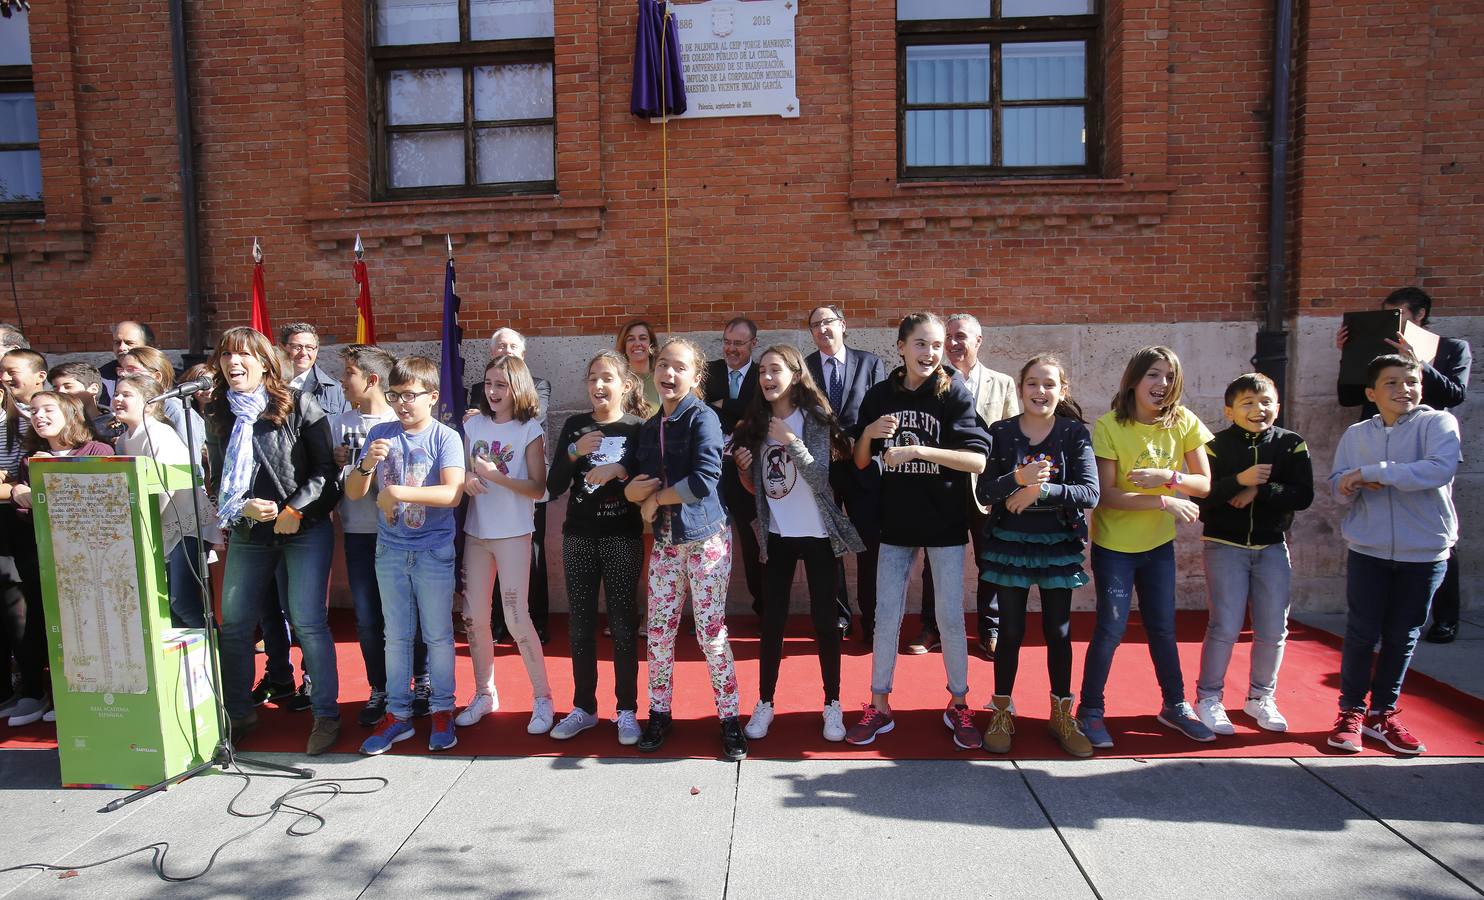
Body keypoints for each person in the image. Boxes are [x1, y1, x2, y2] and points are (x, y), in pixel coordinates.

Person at [844, 313, 990, 749]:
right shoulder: (880, 394)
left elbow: (978, 460)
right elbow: (860, 461)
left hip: (944, 522)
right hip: (895, 523)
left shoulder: (953, 391)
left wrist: (922, 450)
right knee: (885, 617)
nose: (930, 353)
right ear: (902, 346)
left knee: (948, 617)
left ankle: (959, 703)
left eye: (937, 344)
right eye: (921, 344)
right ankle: (878, 705)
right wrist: (868, 434)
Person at [205, 327, 342, 757]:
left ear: (265, 362)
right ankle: (239, 713)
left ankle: (325, 714)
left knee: (307, 622)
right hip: (249, 531)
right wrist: (241, 506)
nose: (233, 362)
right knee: (237, 624)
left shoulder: (299, 403)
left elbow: (325, 472)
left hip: (303, 528)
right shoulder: (219, 412)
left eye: (243, 354)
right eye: (226, 355)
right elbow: (216, 481)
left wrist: (294, 509)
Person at [1077, 346, 1216, 749]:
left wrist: (1168, 476)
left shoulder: (1184, 421)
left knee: (1162, 628)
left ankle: (1175, 704)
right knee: (1111, 629)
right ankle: (1089, 710)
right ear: (1135, 379)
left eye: (1170, 376)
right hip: (1115, 548)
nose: (1163, 384)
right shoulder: (1109, 426)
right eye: (1154, 375)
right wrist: (1163, 499)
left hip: (1158, 547)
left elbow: (1204, 484)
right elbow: (1106, 495)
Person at [1326, 354, 1459, 755]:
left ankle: (1383, 714)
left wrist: (1374, 472)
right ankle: (1350, 712)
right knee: (1361, 633)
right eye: (1392, 383)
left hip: (1425, 551)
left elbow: (1438, 470)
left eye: (1412, 382)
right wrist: (1348, 486)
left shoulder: (1438, 423)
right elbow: (1336, 485)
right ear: (1372, 392)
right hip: (1369, 549)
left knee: (1403, 636)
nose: (1405, 389)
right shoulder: (1356, 434)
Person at [732, 345, 864, 743]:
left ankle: (832, 703)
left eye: (775, 370)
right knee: (772, 622)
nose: (767, 378)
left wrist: (792, 440)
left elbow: (822, 481)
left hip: (819, 534)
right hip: (778, 535)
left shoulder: (815, 420)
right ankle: (765, 702)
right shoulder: (755, 422)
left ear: (795, 374)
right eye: (762, 372)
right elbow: (762, 486)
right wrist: (744, 470)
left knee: (826, 624)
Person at [623, 338, 746, 760]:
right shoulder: (650, 425)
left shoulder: (704, 418)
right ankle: (659, 713)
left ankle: (729, 719)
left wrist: (655, 500)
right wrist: (634, 494)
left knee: (711, 634)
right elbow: (639, 477)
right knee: (658, 633)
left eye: (678, 367)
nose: (668, 374)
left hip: (705, 540)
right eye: (662, 366)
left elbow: (704, 480)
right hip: (665, 544)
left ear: (695, 377)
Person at [976, 355, 1098, 757]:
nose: (1040, 392)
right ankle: (1001, 710)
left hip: (1056, 546)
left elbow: (1089, 492)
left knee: (1058, 632)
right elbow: (983, 493)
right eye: (1032, 384)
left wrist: (1040, 492)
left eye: (1049, 384)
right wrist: (1017, 480)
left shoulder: (1073, 433)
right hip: (1011, 545)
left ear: (1062, 390)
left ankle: (1062, 713)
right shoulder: (1002, 432)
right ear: (1020, 388)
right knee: (1009, 632)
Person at [1336, 287, 1470, 645]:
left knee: (1435, 534)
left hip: (1426, 446)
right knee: (1377, 527)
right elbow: (1348, 396)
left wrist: (1418, 364)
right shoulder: (1376, 353)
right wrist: (1348, 354)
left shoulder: (1451, 348)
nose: (1391, 322)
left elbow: (1455, 394)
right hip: (1377, 442)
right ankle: (1376, 616)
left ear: (1420, 315)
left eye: (1398, 314)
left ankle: (1444, 618)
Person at [350, 356, 466, 754]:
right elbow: (353, 492)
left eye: (410, 396)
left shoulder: (445, 437)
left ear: (432, 397)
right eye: (394, 395)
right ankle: (397, 715)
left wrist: (399, 492)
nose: (401, 403)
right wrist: (367, 464)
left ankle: (441, 709)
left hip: (433, 550)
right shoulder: (380, 434)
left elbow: (452, 493)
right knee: (395, 637)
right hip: (391, 551)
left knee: (438, 636)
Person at [1193, 373, 1313, 735]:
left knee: (1273, 628)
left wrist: (1260, 489)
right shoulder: (1214, 445)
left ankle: (1261, 697)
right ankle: (1208, 697)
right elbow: (1205, 496)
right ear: (1230, 410)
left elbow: (1302, 495)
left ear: (1277, 406)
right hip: (1224, 546)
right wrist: (1240, 480)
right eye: (1247, 403)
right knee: (1225, 626)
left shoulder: (1291, 444)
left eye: (1266, 402)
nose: (1258, 409)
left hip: (1272, 546)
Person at [545, 350, 650, 744]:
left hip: (622, 535)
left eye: (607, 378)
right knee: (580, 625)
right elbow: (553, 486)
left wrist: (621, 469)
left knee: (623, 625)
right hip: (579, 537)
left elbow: (647, 478)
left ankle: (626, 710)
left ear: (624, 385)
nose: (598, 385)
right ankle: (584, 707)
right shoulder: (575, 426)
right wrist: (575, 452)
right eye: (592, 378)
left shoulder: (638, 428)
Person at [328, 344, 430, 728]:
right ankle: (381, 688)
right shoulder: (338, 423)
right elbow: (333, 480)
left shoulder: (401, 419)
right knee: (368, 616)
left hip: (403, 532)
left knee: (410, 613)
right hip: (359, 531)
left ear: (372, 379)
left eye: (349, 373)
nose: (342, 380)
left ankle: (421, 682)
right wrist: (342, 461)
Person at [0, 392, 114, 725]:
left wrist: (35, 494)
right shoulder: (31, 460)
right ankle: (57, 694)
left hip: (95, 558)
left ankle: (98, 695)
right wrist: (27, 495)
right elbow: (26, 511)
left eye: (48, 409)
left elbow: (103, 498)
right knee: (53, 625)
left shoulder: (97, 450)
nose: (39, 416)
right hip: (48, 556)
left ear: (71, 413)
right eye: (34, 411)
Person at [455, 355, 554, 734]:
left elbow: (537, 487)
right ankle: (484, 692)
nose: (493, 391)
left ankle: (543, 698)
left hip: (513, 532)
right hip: (476, 533)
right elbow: (459, 469)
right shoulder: (472, 424)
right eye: (489, 383)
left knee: (515, 617)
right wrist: (467, 477)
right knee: (475, 619)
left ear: (519, 388)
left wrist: (497, 476)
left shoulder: (529, 429)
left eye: (502, 384)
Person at [911, 313, 1018, 658]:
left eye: (962, 337)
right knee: (935, 562)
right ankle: (932, 628)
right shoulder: (931, 381)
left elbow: (1011, 440)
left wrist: (1005, 485)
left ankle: (990, 629)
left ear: (978, 341)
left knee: (991, 559)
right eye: (950, 338)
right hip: (942, 487)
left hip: (986, 489)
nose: (954, 344)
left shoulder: (1001, 384)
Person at [803, 304, 887, 640]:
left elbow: (880, 410)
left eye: (827, 322)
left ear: (842, 325)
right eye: (815, 325)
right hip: (822, 469)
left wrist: (857, 444)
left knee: (870, 544)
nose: (822, 329)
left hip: (863, 466)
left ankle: (874, 617)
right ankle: (839, 615)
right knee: (828, 544)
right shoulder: (804, 368)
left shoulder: (869, 363)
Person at [113, 374, 220, 629]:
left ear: (149, 404)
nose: (117, 399)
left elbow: (166, 487)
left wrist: (144, 525)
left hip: (185, 525)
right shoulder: (122, 440)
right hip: (154, 528)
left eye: (126, 395)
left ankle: (219, 660)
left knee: (182, 601)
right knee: (166, 605)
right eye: (117, 393)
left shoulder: (159, 434)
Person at [467, 328, 553, 645]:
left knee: (533, 559)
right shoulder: (477, 402)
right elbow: (469, 446)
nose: (492, 391)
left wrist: (494, 474)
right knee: (477, 608)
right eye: (501, 346)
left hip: (519, 509)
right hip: (481, 520)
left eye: (512, 346)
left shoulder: (538, 388)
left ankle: (536, 623)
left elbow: (535, 414)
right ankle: (497, 624)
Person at [703, 317, 763, 617]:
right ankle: (707, 614)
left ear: (754, 343)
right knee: (707, 548)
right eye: (727, 342)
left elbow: (759, 415)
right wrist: (737, 412)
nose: (731, 349)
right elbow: (699, 408)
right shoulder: (707, 372)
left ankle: (762, 609)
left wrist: (724, 404)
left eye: (738, 343)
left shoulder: (762, 374)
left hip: (746, 472)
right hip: (711, 475)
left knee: (753, 546)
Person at [118, 346, 206, 476]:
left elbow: (192, 463)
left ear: (156, 376)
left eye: (131, 370)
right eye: (121, 370)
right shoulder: (131, 409)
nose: (123, 375)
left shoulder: (175, 408)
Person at [280, 323, 348, 416]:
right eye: (297, 347)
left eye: (309, 347)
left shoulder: (334, 390)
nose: (303, 352)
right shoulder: (268, 384)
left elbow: (344, 428)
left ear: (316, 350)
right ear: (282, 348)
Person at [48, 361, 123, 443]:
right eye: (55, 388)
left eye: (68, 387)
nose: (60, 392)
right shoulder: (53, 425)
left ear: (93, 389)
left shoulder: (117, 426)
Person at [99, 320, 156, 399]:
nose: (121, 348)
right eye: (117, 342)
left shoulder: (172, 378)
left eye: (129, 343)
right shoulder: (101, 378)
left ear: (149, 346)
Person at [616, 319, 661, 409]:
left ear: (651, 344)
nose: (637, 343)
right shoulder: (617, 381)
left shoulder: (662, 377)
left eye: (643, 338)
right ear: (624, 346)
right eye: (631, 339)